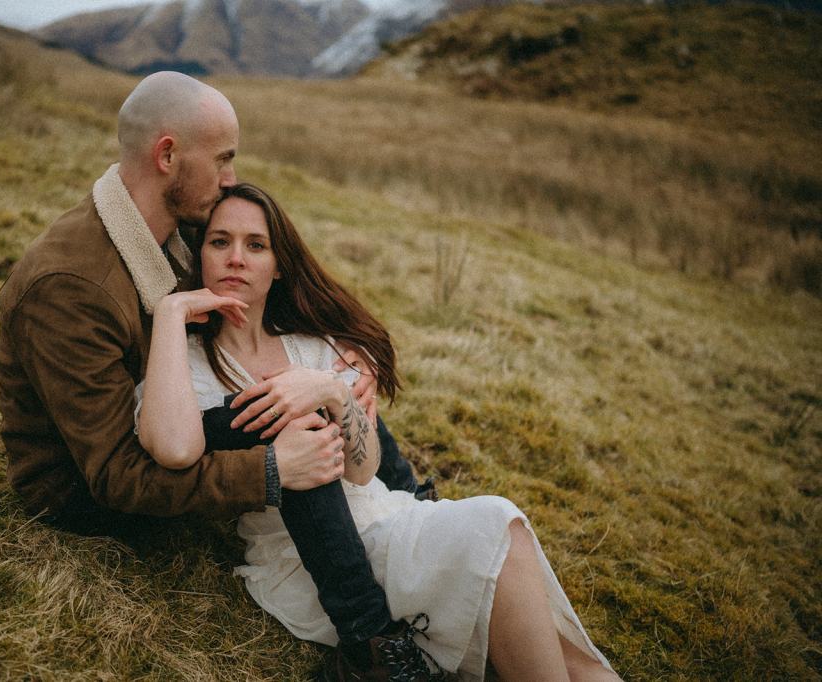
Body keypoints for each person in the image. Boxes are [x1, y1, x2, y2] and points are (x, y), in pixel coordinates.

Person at [0, 71, 436, 679]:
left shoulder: (176, 228)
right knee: (283, 413)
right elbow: (115, 477)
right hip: (83, 490)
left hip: (173, 420)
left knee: (302, 386)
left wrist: (349, 361)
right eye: (223, 159)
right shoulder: (69, 288)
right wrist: (273, 470)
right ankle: (370, 646)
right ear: (168, 155)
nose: (230, 176)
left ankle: (414, 507)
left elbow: (278, 288)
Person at [134, 182, 622, 681]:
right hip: (303, 561)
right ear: (202, 255)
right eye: (220, 242)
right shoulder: (188, 364)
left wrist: (331, 391)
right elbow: (172, 445)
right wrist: (172, 313)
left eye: (255, 245)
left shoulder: (313, 346)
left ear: (279, 265)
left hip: (385, 515)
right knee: (498, 525)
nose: (236, 258)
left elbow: (363, 471)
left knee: (574, 662)